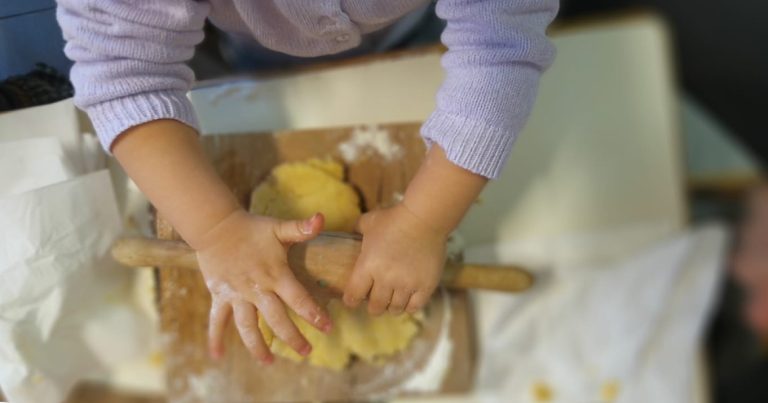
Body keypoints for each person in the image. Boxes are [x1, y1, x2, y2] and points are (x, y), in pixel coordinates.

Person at [55, 0, 558, 363]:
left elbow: (499, 48)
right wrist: (216, 229)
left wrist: (425, 221)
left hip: (415, 27)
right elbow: (123, 73)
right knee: (268, 62)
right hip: (263, 46)